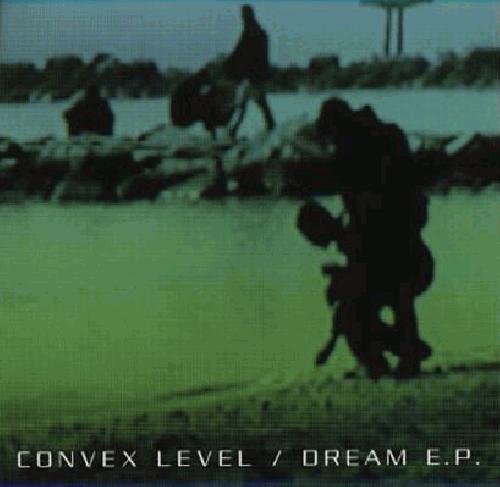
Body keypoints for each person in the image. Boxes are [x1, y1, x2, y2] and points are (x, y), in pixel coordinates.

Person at [297, 98, 434, 379]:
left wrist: (345, 277)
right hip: (412, 257)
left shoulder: (357, 157)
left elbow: (373, 236)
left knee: (372, 302)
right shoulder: (383, 140)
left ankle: (400, 354)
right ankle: (403, 350)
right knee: (376, 300)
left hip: (405, 259)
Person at [223, 4, 275, 135]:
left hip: (254, 75)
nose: (242, 18)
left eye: (243, 15)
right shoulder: (257, 31)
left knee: (254, 102)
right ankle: (235, 129)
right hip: (257, 74)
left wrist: (228, 63)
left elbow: (241, 51)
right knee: (251, 102)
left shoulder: (251, 31)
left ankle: (270, 126)